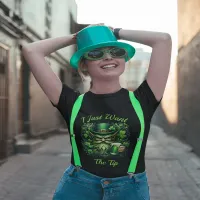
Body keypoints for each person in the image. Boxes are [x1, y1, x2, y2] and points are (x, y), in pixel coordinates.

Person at [22, 24, 172, 200]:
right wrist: (77, 37)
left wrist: (115, 32)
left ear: (124, 58)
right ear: (84, 65)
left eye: (115, 51)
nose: (108, 57)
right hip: (77, 188)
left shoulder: (143, 99)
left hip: (129, 191)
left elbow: (163, 40)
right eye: (95, 53)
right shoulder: (71, 102)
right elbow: (31, 50)